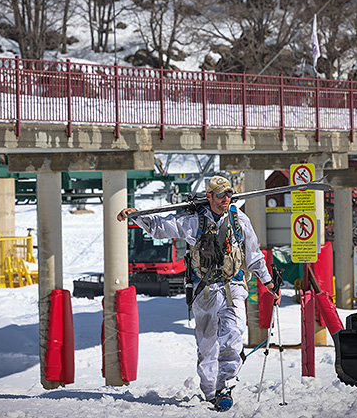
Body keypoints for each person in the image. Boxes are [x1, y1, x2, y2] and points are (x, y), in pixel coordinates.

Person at [117, 175, 280, 411]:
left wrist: (269, 282)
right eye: (221, 195)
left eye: (229, 194)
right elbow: (163, 227)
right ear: (209, 196)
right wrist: (138, 216)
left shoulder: (239, 220)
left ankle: (225, 388)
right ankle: (209, 391)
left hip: (233, 287)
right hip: (205, 292)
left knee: (234, 338)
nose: (227, 199)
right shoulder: (193, 220)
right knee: (208, 345)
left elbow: (253, 256)